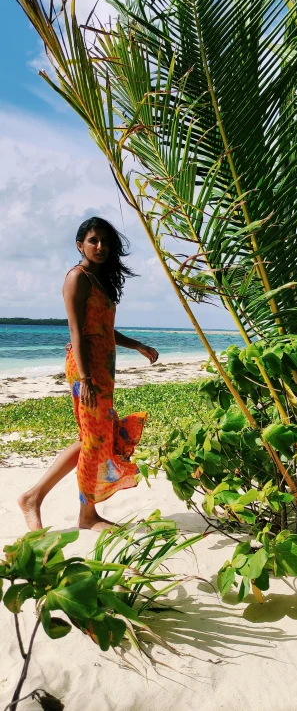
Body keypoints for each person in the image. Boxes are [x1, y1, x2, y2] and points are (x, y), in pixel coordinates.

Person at [18, 217, 158, 532]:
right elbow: (76, 331)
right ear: (80, 245)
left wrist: (136, 344)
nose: (101, 247)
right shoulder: (77, 278)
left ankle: (33, 497)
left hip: (102, 369)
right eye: (94, 240)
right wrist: (85, 378)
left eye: (105, 242)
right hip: (87, 371)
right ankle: (87, 516)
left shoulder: (99, 281)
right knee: (96, 440)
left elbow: (104, 329)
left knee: (92, 439)